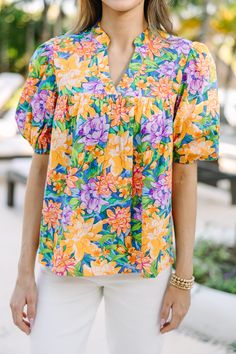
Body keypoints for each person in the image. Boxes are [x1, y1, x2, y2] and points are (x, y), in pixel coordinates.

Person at [9, 0, 220, 353]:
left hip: (144, 267)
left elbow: (184, 175)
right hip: (66, 261)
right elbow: (41, 169)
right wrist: (24, 273)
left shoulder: (187, 62)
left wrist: (182, 279)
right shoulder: (56, 58)